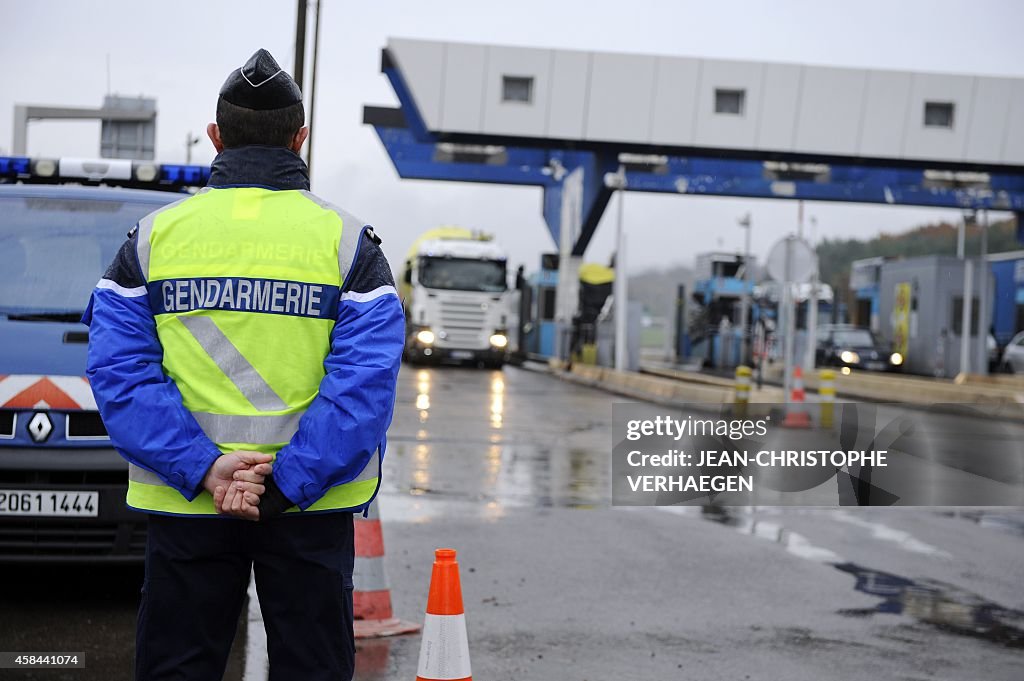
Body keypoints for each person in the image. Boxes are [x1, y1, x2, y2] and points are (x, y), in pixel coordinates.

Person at [83, 48, 405, 681]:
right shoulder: (349, 245)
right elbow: (363, 390)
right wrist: (283, 485)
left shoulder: (151, 239)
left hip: (189, 504)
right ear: (300, 138)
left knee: (178, 668)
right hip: (308, 509)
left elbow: (120, 375)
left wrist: (206, 470)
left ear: (216, 136)